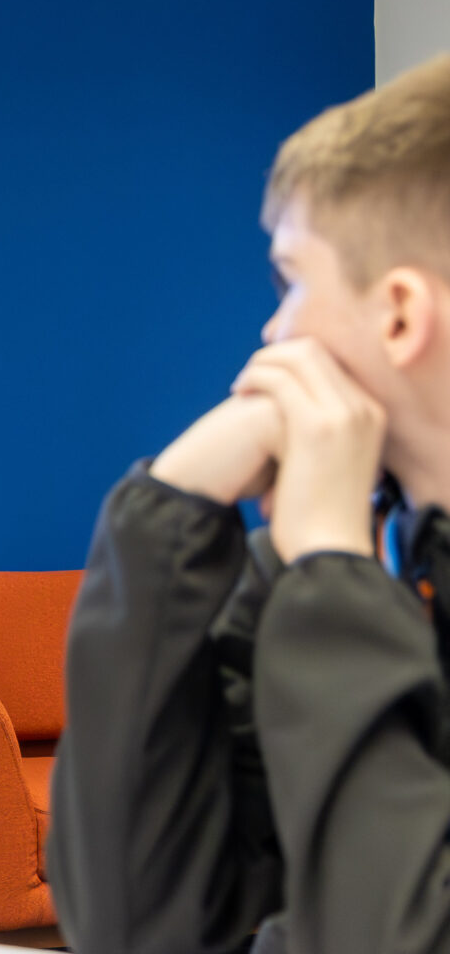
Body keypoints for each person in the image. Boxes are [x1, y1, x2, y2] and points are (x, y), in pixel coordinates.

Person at [49, 55, 450, 954]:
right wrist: (166, 516)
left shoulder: (333, 573)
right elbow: (135, 927)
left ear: (397, 315)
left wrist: (332, 581)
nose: (274, 333)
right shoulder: (351, 555)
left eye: (291, 283)